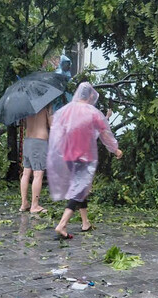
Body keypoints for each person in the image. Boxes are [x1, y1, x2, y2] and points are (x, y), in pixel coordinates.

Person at [47, 82, 122, 239]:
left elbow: (57, 130)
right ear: (90, 96)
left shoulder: (67, 111)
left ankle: (85, 222)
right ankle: (62, 225)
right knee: (80, 189)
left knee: (81, 187)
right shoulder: (93, 112)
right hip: (85, 157)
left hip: (68, 156)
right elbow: (105, 133)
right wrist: (115, 149)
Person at [19, 105, 53, 213]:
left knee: (25, 173)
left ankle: (24, 203)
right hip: (39, 142)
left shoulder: (27, 108)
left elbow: (25, 125)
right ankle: (34, 205)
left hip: (28, 141)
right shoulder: (45, 108)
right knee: (38, 175)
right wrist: (50, 113)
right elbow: (52, 125)